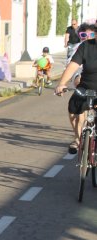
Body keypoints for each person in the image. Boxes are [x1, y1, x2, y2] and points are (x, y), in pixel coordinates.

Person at [55, 23, 97, 154]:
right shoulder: (86, 46)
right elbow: (73, 66)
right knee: (73, 109)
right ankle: (79, 139)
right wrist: (62, 83)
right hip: (86, 86)